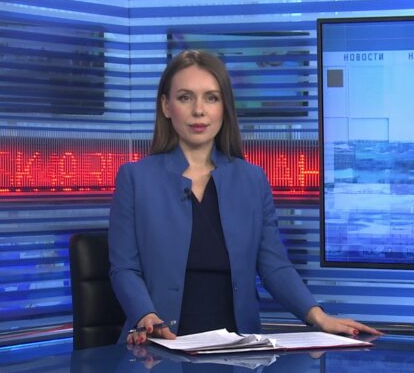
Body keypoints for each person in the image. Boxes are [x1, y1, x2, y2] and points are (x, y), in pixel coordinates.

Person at [109, 50, 381, 345]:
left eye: (211, 98)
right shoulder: (135, 178)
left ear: (224, 107)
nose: (199, 110)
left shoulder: (252, 180)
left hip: (238, 351)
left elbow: (274, 266)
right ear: (166, 105)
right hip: (160, 346)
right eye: (185, 97)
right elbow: (124, 268)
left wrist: (318, 316)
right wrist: (146, 315)